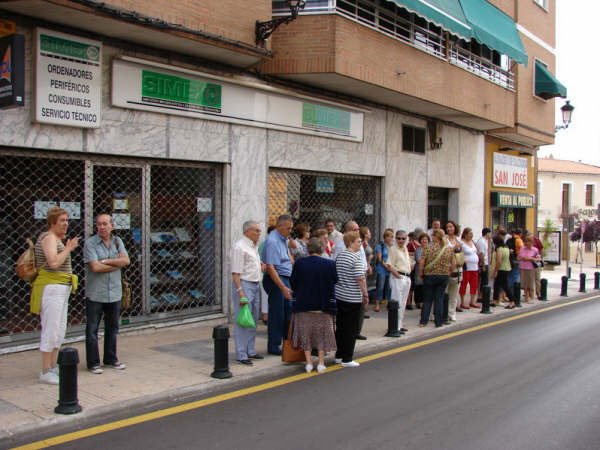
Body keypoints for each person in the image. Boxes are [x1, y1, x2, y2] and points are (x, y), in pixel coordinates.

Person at [30, 207, 79, 384]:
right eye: (62, 221)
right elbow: (53, 263)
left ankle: (53, 365)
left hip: (61, 287)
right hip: (51, 287)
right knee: (51, 328)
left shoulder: (56, 239)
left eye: (67, 220)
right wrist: (68, 248)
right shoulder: (49, 238)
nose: (66, 224)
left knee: (59, 329)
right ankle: (46, 370)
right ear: (52, 222)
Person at [84, 214, 130, 374]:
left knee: (112, 328)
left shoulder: (118, 241)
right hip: (96, 293)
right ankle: (93, 363)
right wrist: (116, 264)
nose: (102, 227)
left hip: (114, 292)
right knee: (92, 329)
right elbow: (95, 267)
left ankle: (110, 359)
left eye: (105, 224)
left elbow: (126, 261)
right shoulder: (90, 243)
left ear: (112, 226)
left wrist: (104, 261)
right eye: (99, 224)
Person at [290, 238, 338, 373]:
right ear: (321, 249)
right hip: (323, 305)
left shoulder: (300, 263)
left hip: (304, 304)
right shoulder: (330, 264)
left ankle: (309, 363)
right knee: (321, 335)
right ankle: (321, 363)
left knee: (306, 334)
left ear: (308, 249)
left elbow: (293, 282)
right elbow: (335, 280)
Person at [231, 220, 264, 365]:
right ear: (247, 232)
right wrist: (241, 293)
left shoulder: (253, 246)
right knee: (243, 319)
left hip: (255, 284)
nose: (259, 233)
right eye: (256, 230)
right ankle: (241, 354)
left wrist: (260, 266)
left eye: (259, 230)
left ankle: (250, 350)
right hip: (244, 285)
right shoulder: (239, 247)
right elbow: (236, 273)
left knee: (253, 319)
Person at [334, 231, 368, 367]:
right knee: (351, 329)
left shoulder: (340, 256)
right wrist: (365, 294)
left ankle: (339, 355)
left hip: (340, 296)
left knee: (341, 327)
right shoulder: (356, 258)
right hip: (352, 298)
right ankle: (347, 358)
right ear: (350, 243)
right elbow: (360, 278)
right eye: (358, 241)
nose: (361, 244)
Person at [262, 215, 294, 355]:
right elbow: (270, 267)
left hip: (285, 277)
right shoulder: (273, 241)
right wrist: (282, 287)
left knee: (288, 312)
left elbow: (287, 258)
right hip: (276, 279)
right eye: (288, 228)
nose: (290, 231)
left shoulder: (283, 238)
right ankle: (274, 346)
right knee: (277, 314)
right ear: (279, 227)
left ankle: (287, 343)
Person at [419, 229, 454, 328]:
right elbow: (453, 263)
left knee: (428, 299)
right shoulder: (448, 249)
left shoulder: (428, 248)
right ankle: (438, 322)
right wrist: (449, 272)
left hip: (429, 276)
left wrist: (421, 273)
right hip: (443, 276)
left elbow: (422, 262)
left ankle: (423, 321)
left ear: (434, 237)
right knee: (439, 299)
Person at [387, 230, 412, 334]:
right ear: (395, 238)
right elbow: (389, 264)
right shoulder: (393, 249)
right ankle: (395, 327)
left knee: (403, 303)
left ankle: (399, 325)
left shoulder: (405, 248)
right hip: (399, 277)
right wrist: (397, 275)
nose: (401, 240)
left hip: (407, 277)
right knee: (397, 302)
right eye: (399, 238)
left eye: (403, 238)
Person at [459, 227, 480, 310]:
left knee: (474, 285)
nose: (471, 235)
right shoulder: (461, 243)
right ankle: (462, 302)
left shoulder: (472, 242)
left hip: (475, 267)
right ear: (465, 234)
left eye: (472, 234)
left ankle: (472, 301)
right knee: (464, 284)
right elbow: (459, 253)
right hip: (466, 267)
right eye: (469, 234)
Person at [492, 236, 516, 308]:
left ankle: (512, 301)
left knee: (505, 286)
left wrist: (495, 271)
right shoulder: (506, 248)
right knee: (496, 285)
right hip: (506, 268)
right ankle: (495, 300)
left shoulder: (499, 249)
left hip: (501, 269)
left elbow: (499, 261)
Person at [374, 229, 394, 312]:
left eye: (392, 237)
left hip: (389, 269)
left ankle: (388, 304)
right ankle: (377, 304)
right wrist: (386, 266)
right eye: (388, 236)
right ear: (385, 237)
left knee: (389, 287)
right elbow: (379, 259)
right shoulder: (380, 246)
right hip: (382, 269)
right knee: (380, 287)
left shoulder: (392, 247)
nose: (390, 238)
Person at [445, 221, 462, 317]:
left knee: (454, 293)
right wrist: (454, 248)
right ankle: (443, 313)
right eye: (447, 227)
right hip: (447, 268)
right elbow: (443, 252)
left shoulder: (458, 239)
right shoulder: (444, 239)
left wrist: (461, 261)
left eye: (451, 226)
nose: (449, 229)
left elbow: (461, 253)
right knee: (445, 292)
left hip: (457, 268)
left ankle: (451, 314)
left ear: (454, 228)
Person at [518, 235, 541, 303]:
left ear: (531, 242)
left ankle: (531, 297)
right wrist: (523, 258)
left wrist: (531, 259)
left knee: (530, 283)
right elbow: (518, 257)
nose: (527, 243)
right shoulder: (522, 249)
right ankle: (526, 297)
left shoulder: (535, 250)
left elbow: (539, 259)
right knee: (524, 283)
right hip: (522, 267)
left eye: (529, 241)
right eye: (526, 241)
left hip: (531, 268)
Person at [413, 233, 430, 308]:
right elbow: (419, 260)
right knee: (419, 287)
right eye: (423, 239)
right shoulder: (418, 250)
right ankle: (418, 302)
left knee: (426, 287)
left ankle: (424, 302)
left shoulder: (430, 249)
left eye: (426, 239)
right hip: (419, 271)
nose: (424, 241)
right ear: (420, 241)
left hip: (428, 271)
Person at [476, 228, 492, 301]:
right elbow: (481, 254)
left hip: (486, 262)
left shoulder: (486, 241)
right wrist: (482, 265)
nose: (491, 235)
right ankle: (480, 296)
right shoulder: (481, 241)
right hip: (483, 263)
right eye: (490, 233)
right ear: (487, 233)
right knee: (483, 280)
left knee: (484, 280)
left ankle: (482, 295)